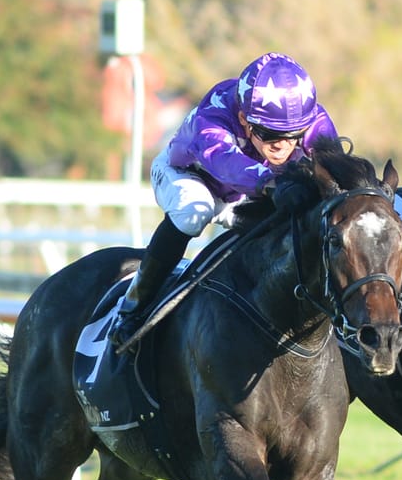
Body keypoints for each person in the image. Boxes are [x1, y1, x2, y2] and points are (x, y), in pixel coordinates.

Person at [109, 52, 338, 347]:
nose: (282, 145)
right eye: (269, 134)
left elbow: (333, 167)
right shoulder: (214, 115)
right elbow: (226, 163)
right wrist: (274, 181)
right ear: (243, 119)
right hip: (189, 177)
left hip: (246, 195)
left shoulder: (312, 118)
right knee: (194, 213)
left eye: (294, 134)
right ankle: (133, 307)